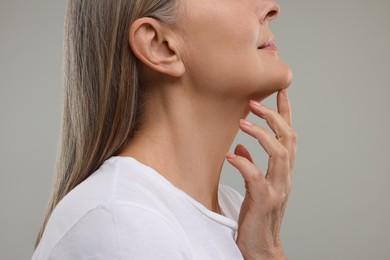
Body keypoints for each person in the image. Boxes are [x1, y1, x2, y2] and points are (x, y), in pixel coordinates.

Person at [32, 0, 296, 259]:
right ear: (160, 46)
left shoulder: (236, 211)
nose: (272, 7)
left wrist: (266, 252)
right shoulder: (121, 223)